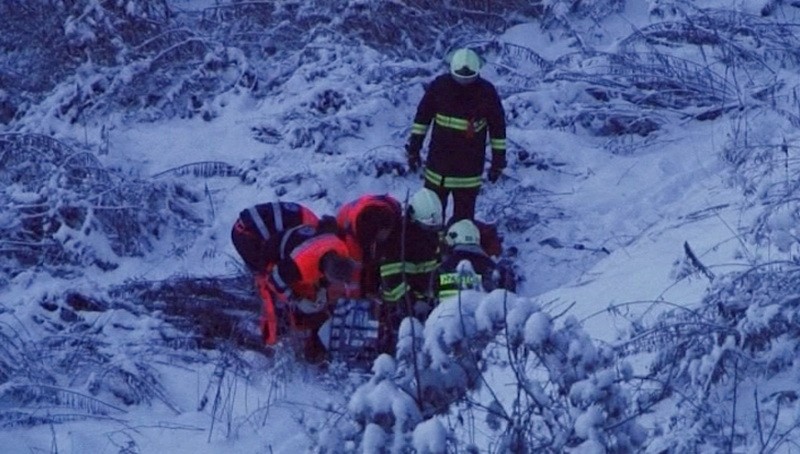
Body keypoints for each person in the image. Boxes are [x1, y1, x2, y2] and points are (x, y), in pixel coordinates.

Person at [405, 47, 507, 222]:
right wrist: (414, 149)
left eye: (468, 78)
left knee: (464, 221)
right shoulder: (439, 87)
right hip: (438, 170)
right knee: (431, 217)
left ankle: (459, 247)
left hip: (468, 173)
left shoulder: (487, 93)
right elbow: (422, 120)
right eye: (460, 77)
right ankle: (431, 248)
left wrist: (498, 161)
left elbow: (498, 129)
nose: (463, 82)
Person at [255, 223, 359, 362]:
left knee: (315, 301)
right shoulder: (299, 265)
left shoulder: (341, 249)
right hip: (273, 257)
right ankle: (270, 350)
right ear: (328, 274)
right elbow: (275, 281)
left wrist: (322, 288)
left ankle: (312, 345)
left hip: (304, 246)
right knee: (275, 309)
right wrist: (296, 300)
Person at [377, 188, 444, 353]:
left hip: (425, 299)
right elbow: (391, 275)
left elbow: (438, 267)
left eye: (433, 228)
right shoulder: (396, 237)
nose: (431, 232)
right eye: (427, 227)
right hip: (398, 300)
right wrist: (408, 301)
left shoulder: (434, 236)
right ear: (413, 218)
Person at [431, 219, 516, 303]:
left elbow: (431, 301)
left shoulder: (441, 270)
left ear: (453, 240)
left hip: (447, 315)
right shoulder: (495, 269)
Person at [336, 194, 403, 297]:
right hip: (344, 225)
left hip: (366, 206)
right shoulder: (354, 236)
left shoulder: (393, 209)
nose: (386, 236)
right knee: (364, 265)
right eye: (383, 234)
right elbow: (356, 268)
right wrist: (361, 294)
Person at [230, 201, 319, 272]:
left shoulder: (311, 221)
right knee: (267, 272)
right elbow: (275, 249)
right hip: (246, 236)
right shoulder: (307, 236)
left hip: (245, 229)